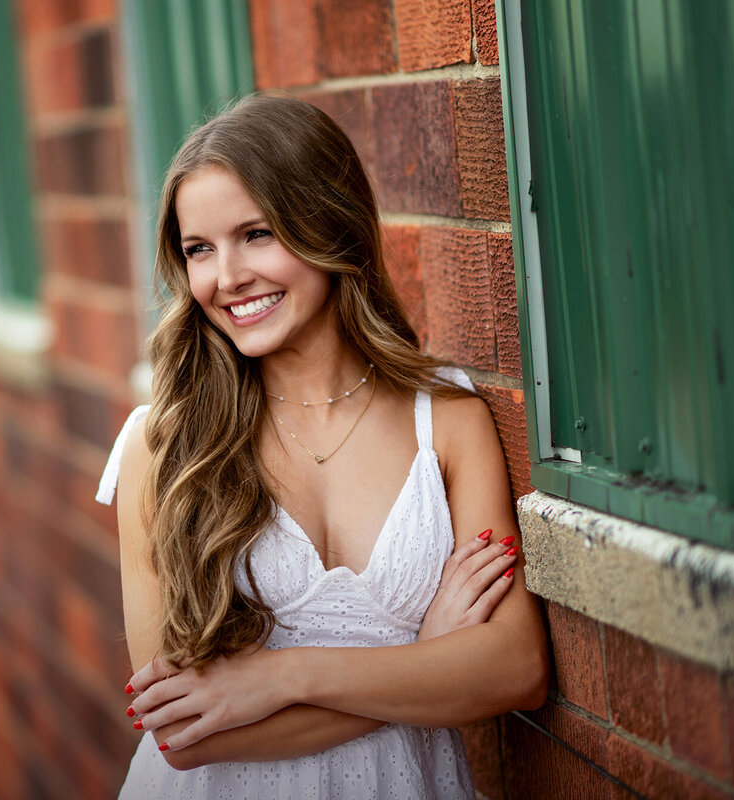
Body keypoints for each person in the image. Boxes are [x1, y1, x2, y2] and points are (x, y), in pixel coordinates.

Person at [96, 93, 548, 798]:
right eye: (198, 249)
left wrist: (284, 675)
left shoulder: (447, 423)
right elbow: (183, 734)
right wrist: (425, 662)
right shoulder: (162, 447)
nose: (226, 277)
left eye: (256, 234)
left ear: (329, 225)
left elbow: (515, 667)